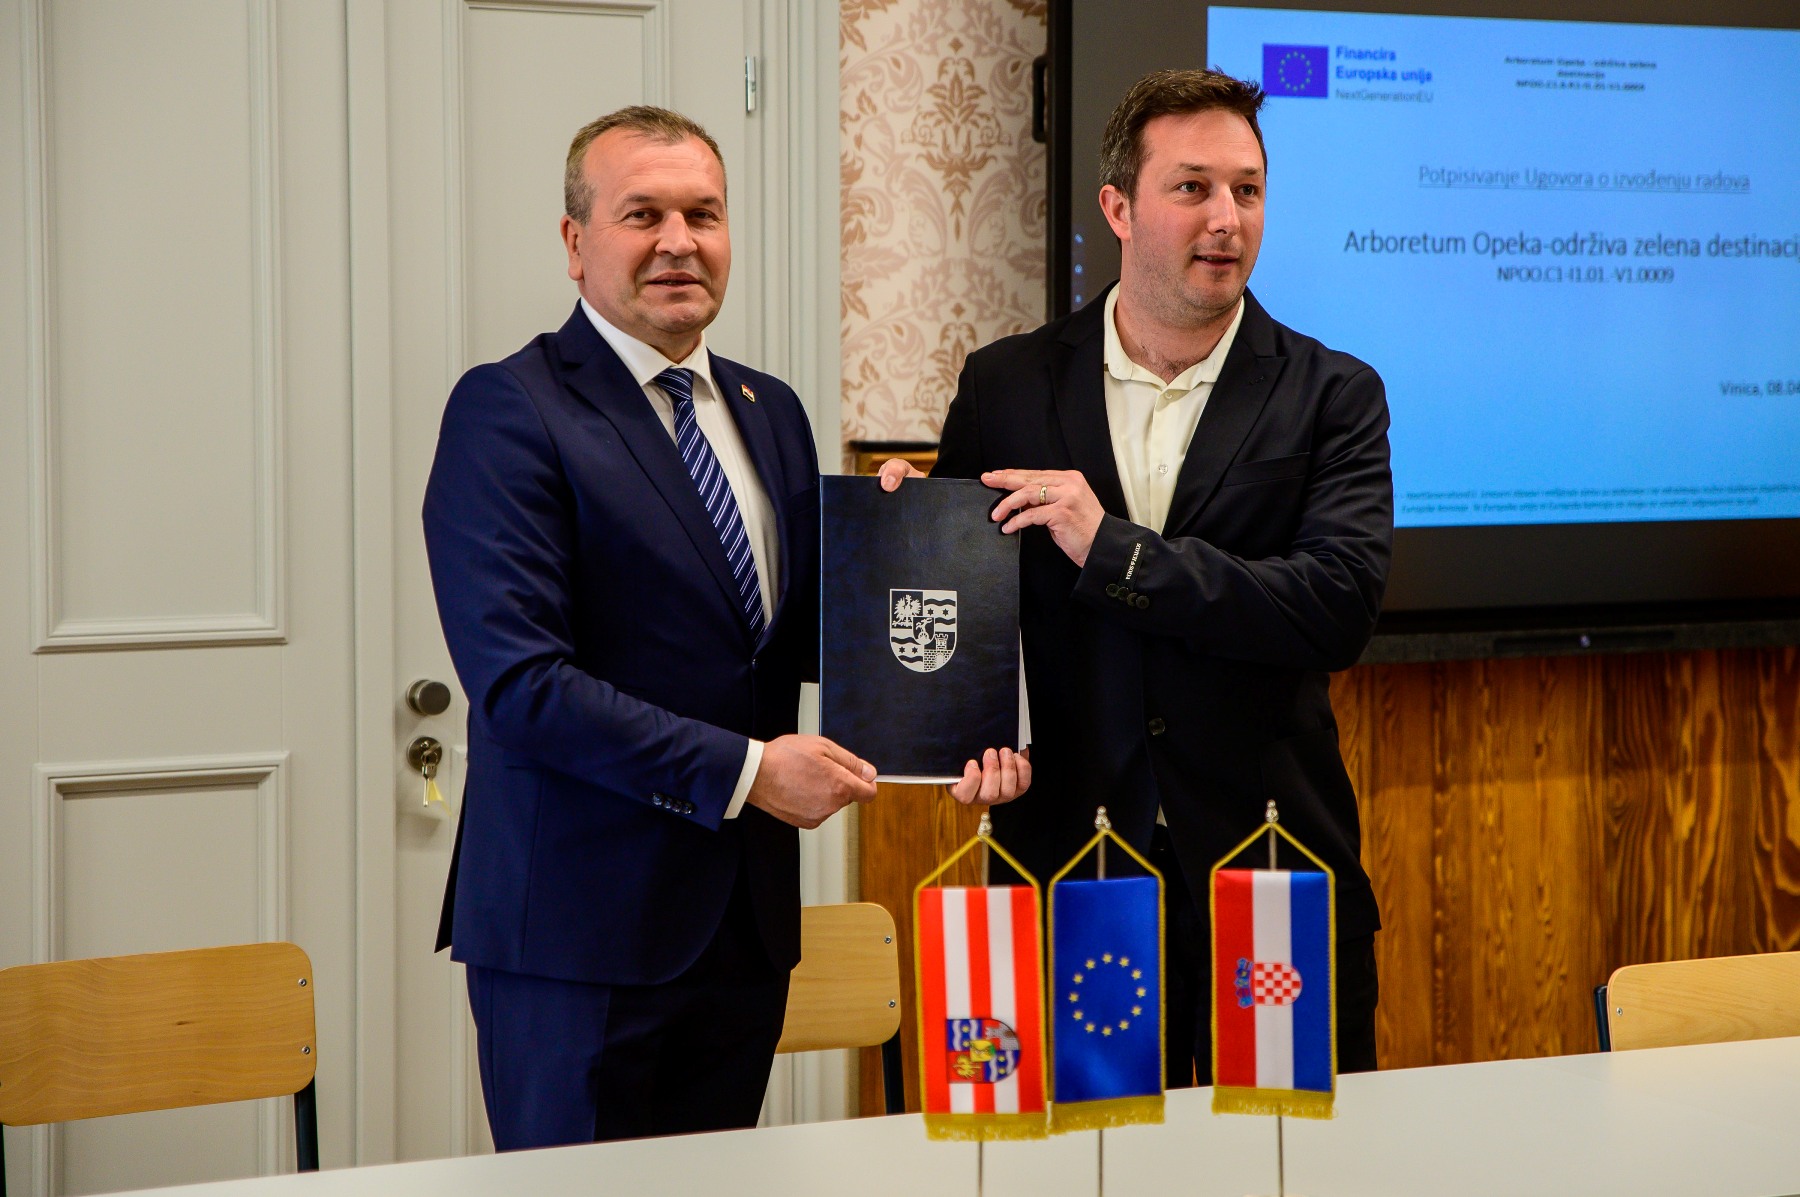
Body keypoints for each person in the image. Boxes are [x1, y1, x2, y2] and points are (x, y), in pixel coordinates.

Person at [881, 68, 1392, 1084]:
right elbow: (963, 617)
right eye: (1193, 187)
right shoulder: (1005, 384)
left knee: (1287, 1158)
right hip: (1067, 870)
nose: (1227, 218)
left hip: (1273, 876)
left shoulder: (1332, 393)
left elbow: (1333, 607)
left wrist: (1112, 549)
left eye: (1247, 190)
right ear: (1118, 207)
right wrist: (901, 535)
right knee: (1079, 1155)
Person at [422, 106, 886, 1150]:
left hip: (743, 933)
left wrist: (903, 542)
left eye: (703, 214)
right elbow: (523, 687)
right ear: (575, 240)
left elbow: (796, 638)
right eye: (644, 214)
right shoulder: (510, 410)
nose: (680, 241)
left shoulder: (771, 409)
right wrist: (751, 773)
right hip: (579, 941)